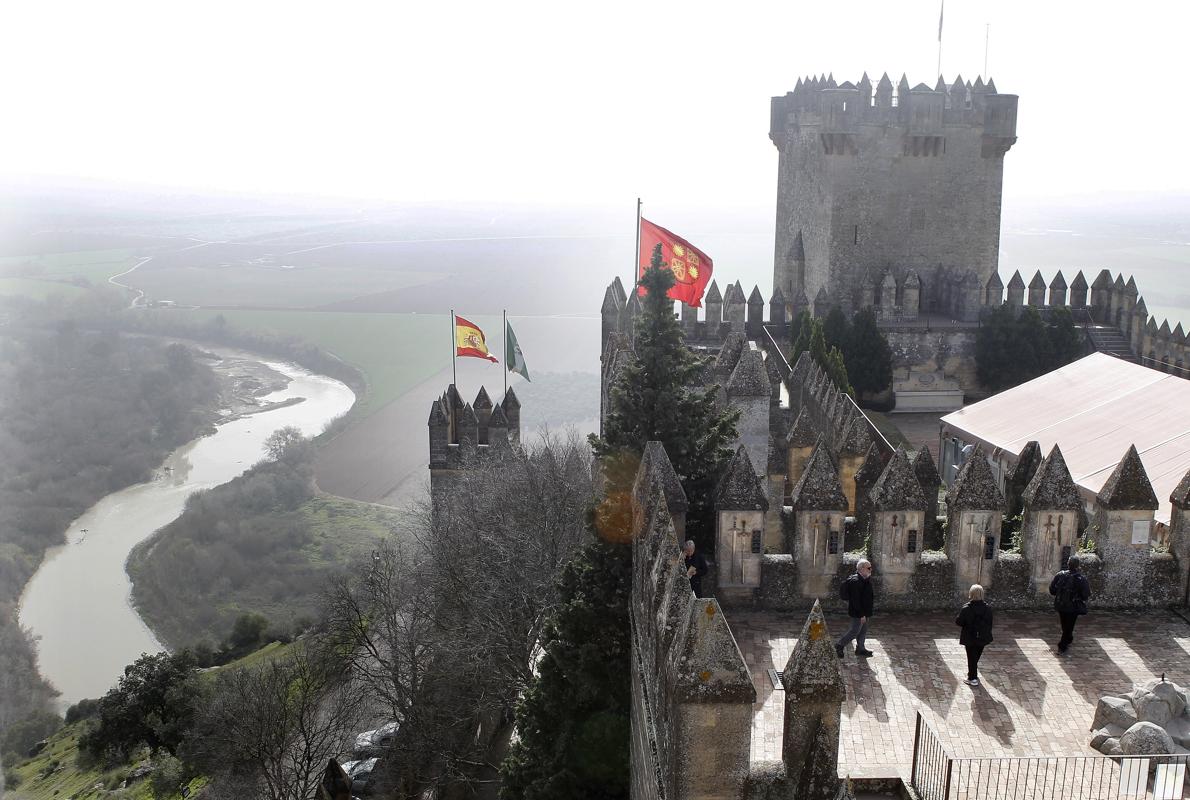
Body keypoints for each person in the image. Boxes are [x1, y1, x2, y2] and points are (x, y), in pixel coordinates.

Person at [1049, 555, 1091, 653]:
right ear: (1078, 566)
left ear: (1068, 564)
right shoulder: (1081, 579)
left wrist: (1060, 594)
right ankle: (1062, 645)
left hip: (1061, 604)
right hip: (1073, 606)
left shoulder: (1060, 575)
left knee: (1065, 623)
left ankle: (1068, 638)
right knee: (1069, 625)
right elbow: (1085, 595)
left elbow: (1052, 590)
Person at [955, 584, 994, 687]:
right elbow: (990, 623)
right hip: (982, 637)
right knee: (975, 657)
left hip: (970, 637)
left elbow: (959, 622)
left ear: (971, 594)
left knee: (971, 657)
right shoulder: (988, 608)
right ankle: (972, 674)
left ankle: (972, 678)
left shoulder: (966, 608)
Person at [836, 559, 875, 658]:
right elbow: (855, 601)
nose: (871, 569)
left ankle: (860, 648)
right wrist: (861, 615)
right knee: (854, 631)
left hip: (865, 611)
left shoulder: (865, 579)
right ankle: (839, 645)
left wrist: (866, 613)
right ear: (861, 569)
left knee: (863, 630)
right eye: (869, 568)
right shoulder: (855, 581)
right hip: (858, 612)